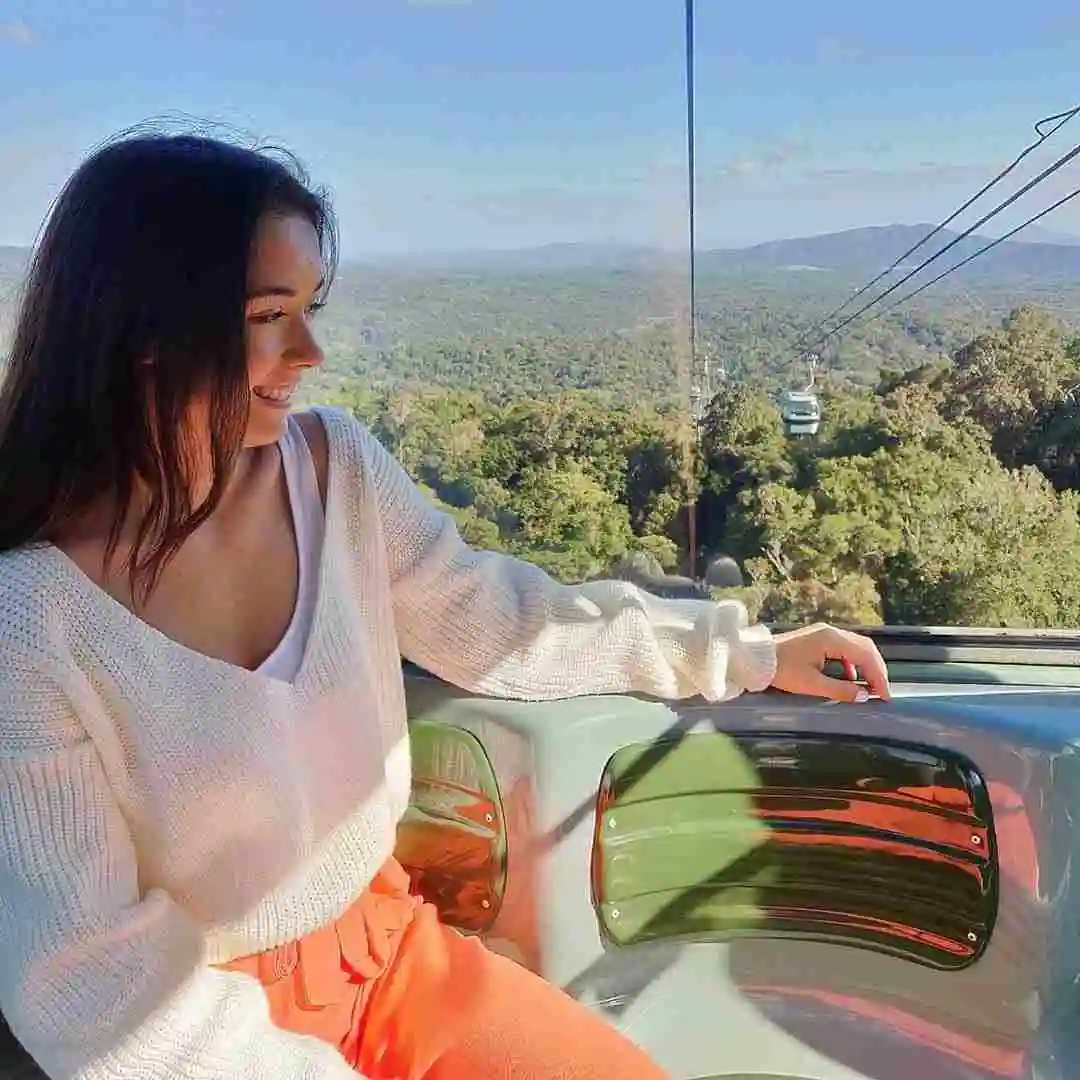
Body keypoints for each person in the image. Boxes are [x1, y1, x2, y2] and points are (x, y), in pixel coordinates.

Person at [0, 130, 892, 1080]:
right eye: (269, 316)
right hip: (199, 1029)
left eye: (310, 309)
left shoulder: (332, 469)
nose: (311, 350)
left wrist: (740, 653)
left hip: (388, 958)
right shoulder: (31, 621)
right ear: (144, 332)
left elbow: (496, 617)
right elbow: (95, 990)